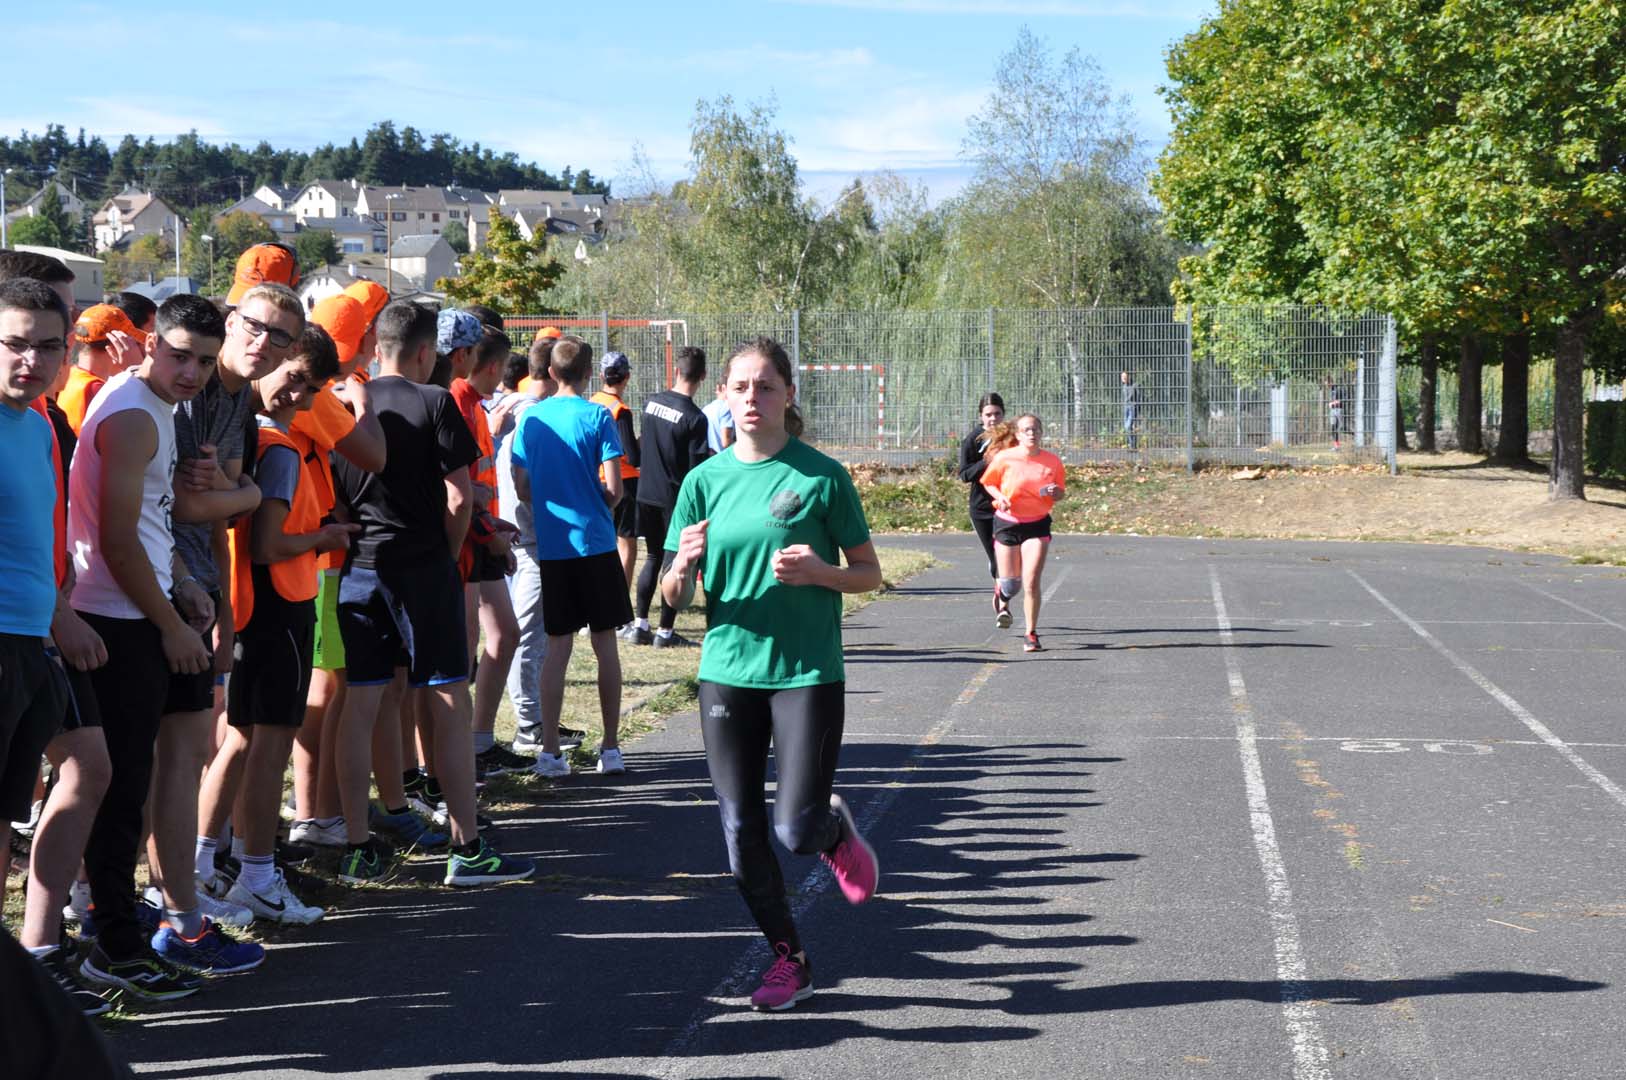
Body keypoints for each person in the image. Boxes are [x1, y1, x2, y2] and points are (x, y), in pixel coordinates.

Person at [661, 336, 882, 1012]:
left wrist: (820, 573)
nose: (752, 399)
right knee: (738, 830)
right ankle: (791, 958)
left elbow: (870, 572)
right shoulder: (703, 482)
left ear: (788, 394)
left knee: (793, 830)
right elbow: (671, 597)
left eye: (765, 387)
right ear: (722, 397)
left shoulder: (822, 476)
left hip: (806, 672)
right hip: (727, 671)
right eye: (740, 388)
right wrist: (682, 566)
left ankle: (829, 829)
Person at [71, 294, 262, 998]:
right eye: (179, 354)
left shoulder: (157, 406)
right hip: (119, 617)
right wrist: (171, 623)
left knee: (142, 779)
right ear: (151, 342)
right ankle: (113, 945)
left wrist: (183, 580)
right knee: (122, 792)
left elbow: (153, 521)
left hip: (148, 603)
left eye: (205, 362)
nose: (191, 372)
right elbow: (115, 541)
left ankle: (142, 927)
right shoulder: (129, 416)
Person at [331, 300, 532, 887]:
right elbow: (458, 498)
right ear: (426, 352)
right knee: (448, 701)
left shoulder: (346, 404)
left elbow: (337, 495)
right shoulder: (436, 400)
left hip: (359, 568)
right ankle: (466, 849)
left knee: (360, 703)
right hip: (422, 567)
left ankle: (357, 847)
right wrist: (446, 558)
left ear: (375, 348)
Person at [152, 284, 307, 942]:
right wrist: (235, 494)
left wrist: (223, 601)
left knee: (189, 751)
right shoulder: (185, 391)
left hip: (203, 589)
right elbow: (187, 505)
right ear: (230, 318)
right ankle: (158, 900)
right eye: (254, 326)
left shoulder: (240, 398)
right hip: (155, 583)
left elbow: (230, 502)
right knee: (155, 759)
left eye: (279, 337)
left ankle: (185, 891)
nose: (261, 343)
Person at [196, 327, 352, 925]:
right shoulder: (278, 447)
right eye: (296, 380)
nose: (302, 399)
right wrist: (326, 537)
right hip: (275, 607)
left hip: (248, 607)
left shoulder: (246, 434)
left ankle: (202, 866)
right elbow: (267, 544)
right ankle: (257, 873)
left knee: (238, 741)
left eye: (313, 390)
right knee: (268, 745)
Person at [0, 278, 105, 1015]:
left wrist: (56, 612)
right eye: (13, 342)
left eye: (46, 346)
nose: (30, 359)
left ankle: (30, 967)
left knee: (75, 775)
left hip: (31, 638)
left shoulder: (37, 423)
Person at [510, 335, 630, 778]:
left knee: (556, 648)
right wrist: (596, 497)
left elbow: (522, 486)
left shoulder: (533, 418)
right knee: (605, 646)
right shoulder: (599, 415)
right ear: (588, 373)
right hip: (596, 544)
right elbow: (615, 490)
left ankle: (550, 752)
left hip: (555, 547)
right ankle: (611, 747)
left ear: (551, 372)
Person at [444, 316, 526, 775]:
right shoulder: (456, 400)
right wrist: (488, 533)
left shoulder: (475, 404)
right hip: (470, 539)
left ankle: (479, 741)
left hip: (481, 533)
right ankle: (454, 756)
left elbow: (476, 479)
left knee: (503, 634)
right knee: (466, 650)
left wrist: (492, 524)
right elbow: (458, 486)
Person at [499, 336, 583, 762]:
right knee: (529, 634)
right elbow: (523, 483)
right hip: (530, 539)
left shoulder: (512, 408)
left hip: (525, 536)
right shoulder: (531, 416)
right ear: (552, 373)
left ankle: (536, 718)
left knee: (538, 633)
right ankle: (529, 725)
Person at [624, 345, 711, 648]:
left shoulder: (651, 403)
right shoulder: (695, 418)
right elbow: (696, 469)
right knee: (675, 563)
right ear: (703, 376)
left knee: (651, 556)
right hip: (674, 499)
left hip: (645, 493)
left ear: (676, 370)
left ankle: (639, 624)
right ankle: (665, 632)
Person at [982, 413, 1068, 652]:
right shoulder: (1005, 458)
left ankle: (1030, 633)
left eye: (1035, 429)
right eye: (1027, 430)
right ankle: (1002, 594)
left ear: (1041, 433)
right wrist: (1000, 497)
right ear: (1018, 435)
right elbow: (988, 482)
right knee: (1012, 585)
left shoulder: (1052, 461)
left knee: (1031, 582)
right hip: (1008, 523)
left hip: (1037, 523)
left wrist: (1054, 492)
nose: (1032, 433)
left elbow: (1060, 493)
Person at [590, 351, 640, 589]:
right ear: (627, 377)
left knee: (599, 542)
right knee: (626, 543)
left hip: (594, 480)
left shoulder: (592, 402)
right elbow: (632, 455)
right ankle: (620, 604)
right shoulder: (620, 410)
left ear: (601, 375)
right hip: (622, 482)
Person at [58, 304, 145, 435]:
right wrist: (137, 374)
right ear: (117, 345)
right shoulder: (96, 390)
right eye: (134, 344)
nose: (137, 350)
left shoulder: (68, 377)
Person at [957, 392, 1006, 600]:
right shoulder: (973, 439)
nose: (992, 419)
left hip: (1007, 505)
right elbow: (964, 474)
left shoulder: (1011, 437)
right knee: (996, 557)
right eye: (988, 414)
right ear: (981, 416)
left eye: (997, 414)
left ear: (1003, 414)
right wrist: (987, 461)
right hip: (982, 507)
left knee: (1007, 555)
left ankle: (1003, 602)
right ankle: (1001, 596)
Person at [701, 378, 735, 453]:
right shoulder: (727, 408)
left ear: (717, 389)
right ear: (724, 388)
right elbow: (726, 442)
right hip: (722, 458)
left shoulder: (706, 409)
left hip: (708, 458)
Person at [1121, 370, 1140, 452]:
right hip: (1126, 408)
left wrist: (1138, 409)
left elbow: (1139, 398)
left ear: (1129, 377)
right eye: (1122, 377)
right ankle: (1131, 445)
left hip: (1133, 407)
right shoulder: (1124, 386)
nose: (1123, 378)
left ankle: (1132, 445)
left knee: (1129, 426)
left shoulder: (1135, 385)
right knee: (1127, 427)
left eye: (1125, 376)